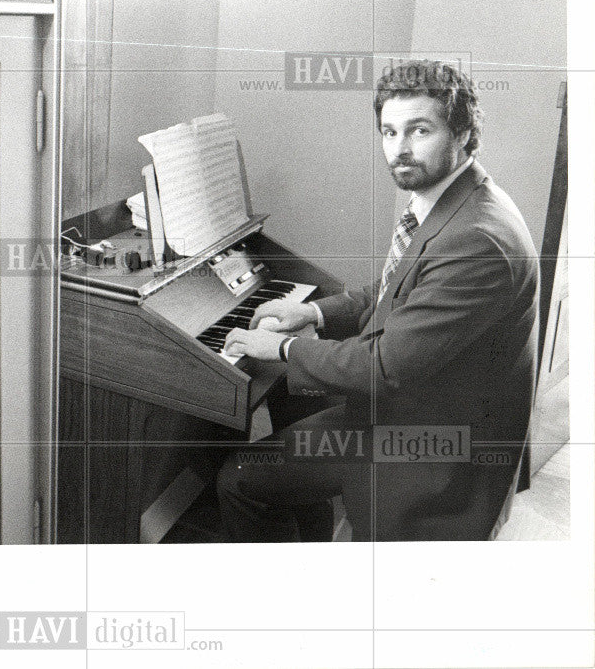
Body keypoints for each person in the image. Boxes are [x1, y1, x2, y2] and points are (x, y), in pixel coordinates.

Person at [217, 59, 539, 541]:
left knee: (240, 481)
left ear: (465, 134)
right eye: (389, 132)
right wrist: (312, 311)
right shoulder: (446, 199)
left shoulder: (476, 239)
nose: (400, 150)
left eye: (419, 130)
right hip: (416, 409)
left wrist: (283, 349)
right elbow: (392, 293)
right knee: (289, 413)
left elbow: (386, 366)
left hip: (429, 446)